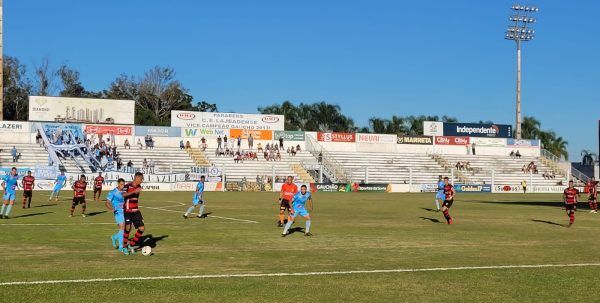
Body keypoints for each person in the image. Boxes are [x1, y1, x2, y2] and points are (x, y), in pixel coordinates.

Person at [105, 178, 129, 255]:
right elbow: (107, 203)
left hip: (125, 211)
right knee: (122, 227)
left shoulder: (124, 191)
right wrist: (111, 209)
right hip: (118, 212)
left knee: (125, 228)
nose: (122, 186)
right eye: (121, 184)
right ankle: (121, 247)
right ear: (118, 184)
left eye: (123, 184)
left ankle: (114, 237)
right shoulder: (113, 192)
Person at [123, 172, 145, 254]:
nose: (142, 181)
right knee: (128, 228)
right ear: (137, 178)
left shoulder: (139, 186)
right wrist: (133, 192)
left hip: (136, 211)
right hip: (127, 211)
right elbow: (123, 195)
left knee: (142, 228)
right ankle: (124, 247)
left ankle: (131, 245)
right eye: (141, 179)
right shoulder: (127, 186)